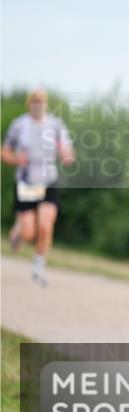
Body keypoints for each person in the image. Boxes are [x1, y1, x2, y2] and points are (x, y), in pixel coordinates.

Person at [2, 88, 75, 286]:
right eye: (35, 101)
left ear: (46, 104)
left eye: (41, 101)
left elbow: (67, 149)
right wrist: (16, 159)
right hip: (26, 182)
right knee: (29, 234)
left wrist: (66, 155)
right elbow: (5, 151)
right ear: (29, 104)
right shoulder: (19, 125)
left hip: (48, 181)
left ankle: (38, 266)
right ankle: (18, 230)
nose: (38, 105)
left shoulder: (56, 125)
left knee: (45, 225)